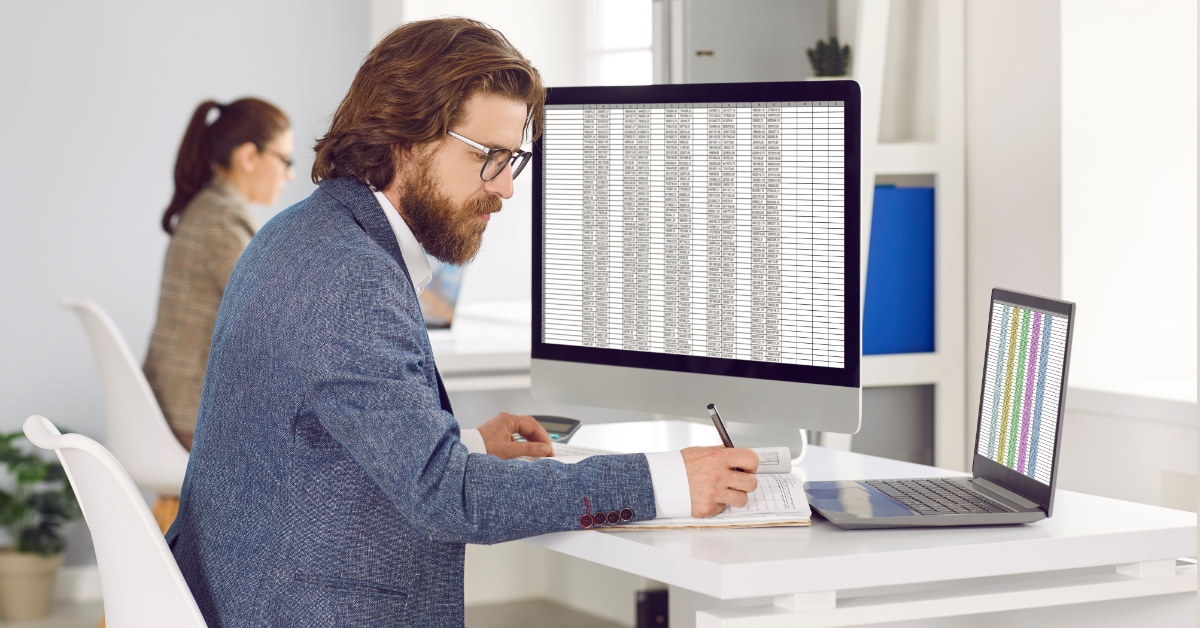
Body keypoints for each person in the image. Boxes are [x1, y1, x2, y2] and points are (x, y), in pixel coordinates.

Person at [167, 18, 758, 627]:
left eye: (514, 160)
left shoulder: (303, 234)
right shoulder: (351, 277)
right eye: (489, 158)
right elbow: (449, 498)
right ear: (404, 138)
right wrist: (664, 480)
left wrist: (464, 444)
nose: (505, 188)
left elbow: (320, 445)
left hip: (247, 591)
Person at [143, 97, 293, 451]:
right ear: (248, 157)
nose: (291, 174)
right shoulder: (221, 219)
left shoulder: (212, 208)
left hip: (172, 406)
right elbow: (274, 314)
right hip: (189, 416)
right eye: (286, 160)